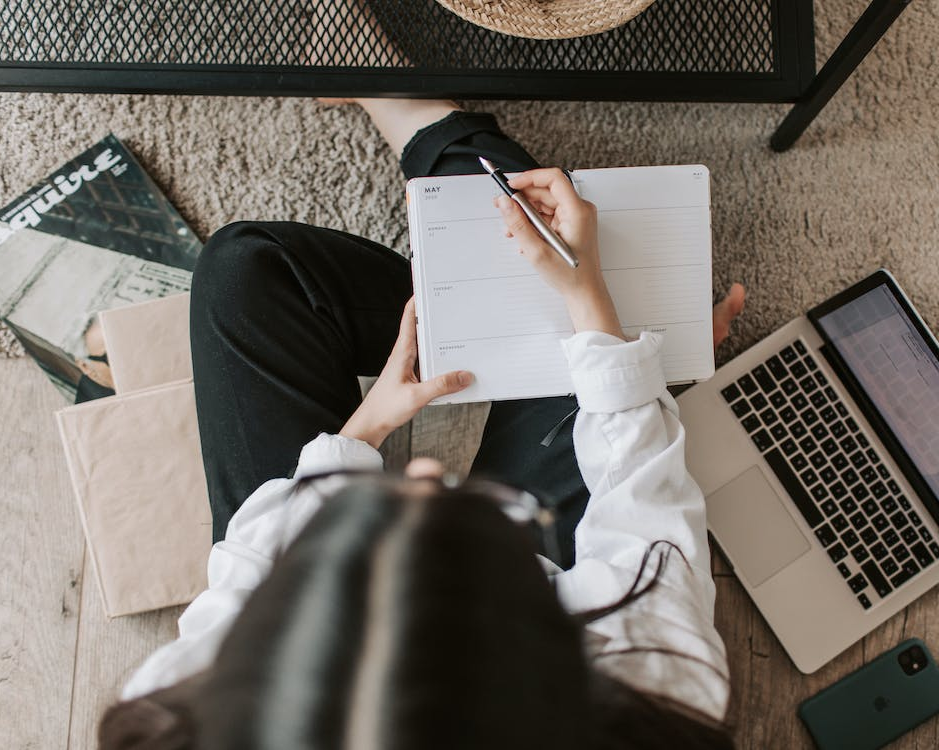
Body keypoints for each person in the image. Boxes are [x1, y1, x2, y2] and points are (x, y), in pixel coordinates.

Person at [98, 93, 747, 749]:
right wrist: (596, 309)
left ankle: (439, 151)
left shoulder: (181, 717)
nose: (427, 467)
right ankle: (422, 122)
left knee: (246, 267)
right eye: (477, 518)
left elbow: (247, 572)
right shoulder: (655, 697)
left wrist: (362, 432)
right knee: (611, 331)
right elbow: (643, 503)